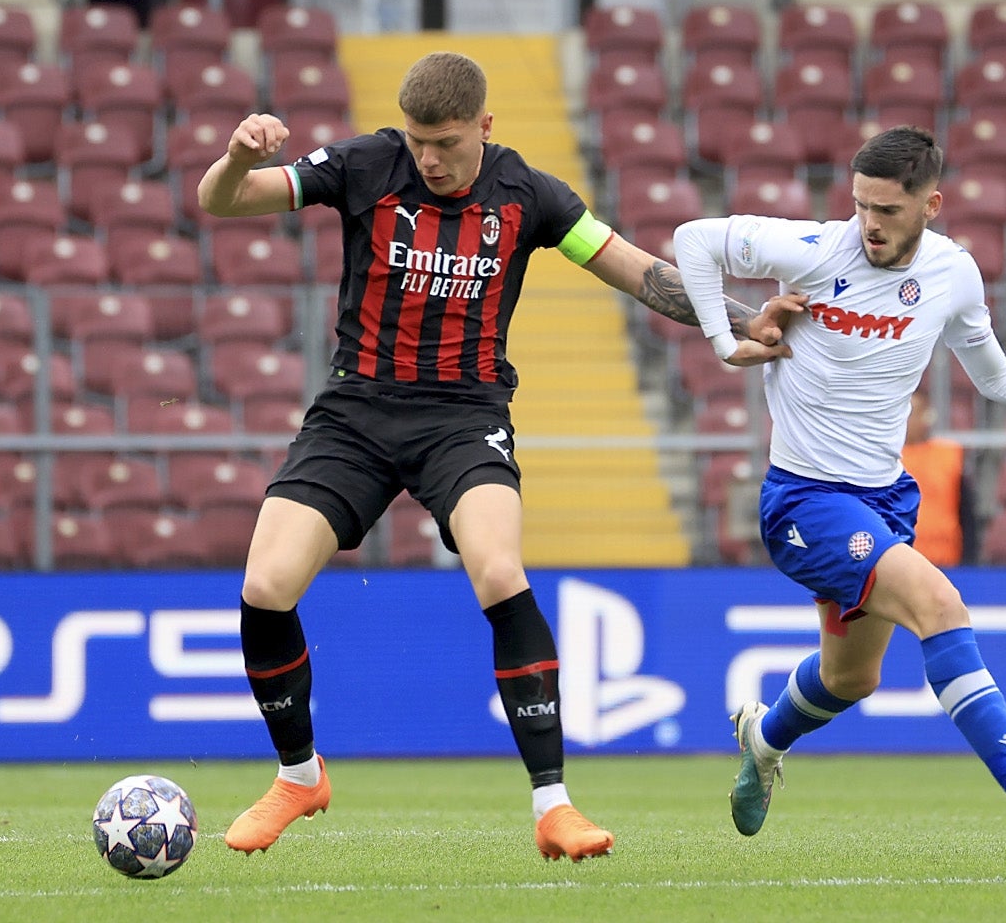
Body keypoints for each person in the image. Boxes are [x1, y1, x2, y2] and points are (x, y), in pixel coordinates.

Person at [196, 51, 796, 860]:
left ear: (484, 126)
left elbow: (639, 272)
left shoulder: (532, 195)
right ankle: (300, 776)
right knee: (265, 584)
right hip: (354, 414)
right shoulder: (365, 163)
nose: (429, 159)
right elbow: (223, 202)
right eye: (418, 142)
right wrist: (238, 156)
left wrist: (744, 319)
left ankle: (555, 806)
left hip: (463, 416)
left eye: (444, 142)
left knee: (498, 571)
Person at [673, 125, 1006, 852]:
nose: (870, 224)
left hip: (885, 499)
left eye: (888, 210)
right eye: (861, 205)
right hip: (805, 500)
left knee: (850, 680)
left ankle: (762, 740)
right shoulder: (818, 249)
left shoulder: (953, 274)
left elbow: (995, 376)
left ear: (933, 204)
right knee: (941, 605)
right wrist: (724, 341)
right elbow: (693, 239)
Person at [899, 387, 975, 566]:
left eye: (912, 414)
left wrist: (971, 560)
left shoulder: (949, 455)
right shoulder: (884, 461)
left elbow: (967, 514)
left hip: (947, 561)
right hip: (901, 563)